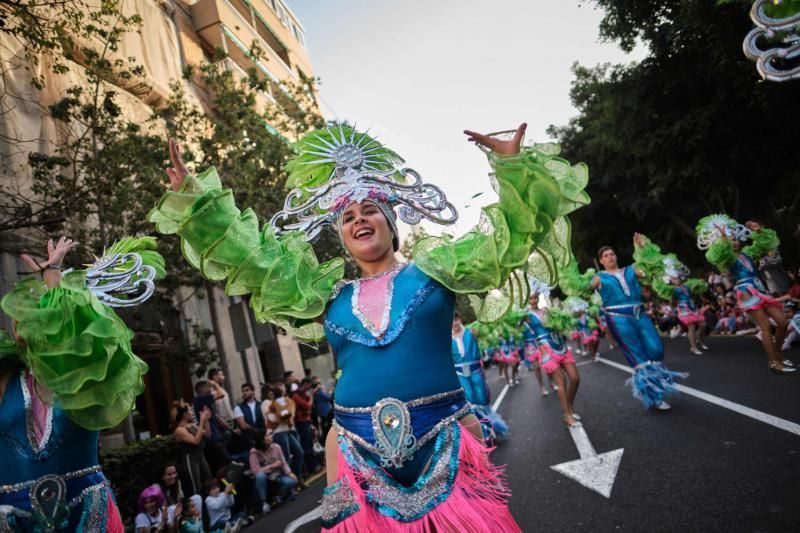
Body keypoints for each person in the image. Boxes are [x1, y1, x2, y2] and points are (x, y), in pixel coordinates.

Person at [151, 122, 591, 530]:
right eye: (347, 217)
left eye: (369, 210)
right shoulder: (326, 296)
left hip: (447, 437)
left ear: (391, 224)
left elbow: (509, 241)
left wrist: (513, 168)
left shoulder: (436, 271)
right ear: (341, 235)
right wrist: (198, 201)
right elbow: (254, 260)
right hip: (353, 452)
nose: (358, 219)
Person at [0, 236, 164, 532]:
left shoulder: (89, 375)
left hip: (87, 516)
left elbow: (69, 333)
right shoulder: (6, 380)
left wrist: (54, 278)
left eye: (38, 309)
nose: (22, 318)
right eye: (20, 313)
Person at [568, 237, 687, 410]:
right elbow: (584, 286)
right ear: (601, 261)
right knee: (639, 358)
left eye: (612, 254)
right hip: (618, 319)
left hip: (640, 314)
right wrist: (574, 276)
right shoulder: (598, 277)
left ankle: (654, 384)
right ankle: (655, 396)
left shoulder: (631, 269)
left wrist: (643, 249)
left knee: (656, 350)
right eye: (606, 255)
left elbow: (648, 268)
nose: (610, 257)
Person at [697, 215, 795, 374]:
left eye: (735, 238)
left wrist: (759, 230)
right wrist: (722, 238)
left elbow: (765, 244)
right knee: (766, 327)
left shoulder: (747, 252)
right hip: (745, 291)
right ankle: (774, 362)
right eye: (730, 239)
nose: (734, 241)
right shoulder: (727, 259)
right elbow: (717, 255)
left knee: (782, 322)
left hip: (760, 289)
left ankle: (778, 355)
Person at [632, 233, 710, 355]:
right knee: (691, 327)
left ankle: (700, 340)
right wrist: (640, 246)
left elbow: (697, 288)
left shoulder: (687, 285)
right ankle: (693, 347)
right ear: (670, 280)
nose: (676, 279)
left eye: (677, 277)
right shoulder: (673, 290)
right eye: (673, 278)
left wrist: (698, 288)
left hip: (692, 306)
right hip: (684, 308)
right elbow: (669, 297)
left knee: (703, 324)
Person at [524, 292, 582, 427]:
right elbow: (514, 324)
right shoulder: (526, 316)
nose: (533, 300)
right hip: (546, 349)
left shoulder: (547, 310)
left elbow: (560, 324)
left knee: (575, 378)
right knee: (561, 382)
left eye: (535, 297)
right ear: (527, 300)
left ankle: (569, 406)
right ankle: (567, 415)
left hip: (560, 345)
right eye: (530, 298)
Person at [452, 312, 509, 441]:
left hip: (476, 371)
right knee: (470, 402)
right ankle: (483, 432)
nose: (454, 323)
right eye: (451, 321)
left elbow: (488, 337)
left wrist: (479, 335)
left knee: (482, 399)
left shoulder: (471, 331)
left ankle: (492, 428)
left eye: (455, 319)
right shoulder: (447, 339)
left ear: (459, 319)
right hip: (460, 374)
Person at [249, 429, 298, 513]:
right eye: (268, 435)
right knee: (260, 476)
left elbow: (283, 462)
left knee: (292, 481)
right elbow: (256, 471)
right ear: (262, 440)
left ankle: (278, 496)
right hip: (265, 479)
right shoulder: (254, 453)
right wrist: (272, 466)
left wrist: (289, 473)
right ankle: (264, 502)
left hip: (277, 476)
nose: (271, 436)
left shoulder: (276, 447)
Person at [266, 383, 305, 484]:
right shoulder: (270, 404)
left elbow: (290, 412)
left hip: (288, 430)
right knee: (286, 458)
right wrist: (283, 416)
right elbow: (271, 420)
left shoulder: (286, 401)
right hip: (278, 432)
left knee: (299, 453)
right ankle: (290, 483)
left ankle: (297, 477)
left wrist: (288, 416)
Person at [173, 400, 214, 496]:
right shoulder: (180, 430)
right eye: (190, 411)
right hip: (190, 459)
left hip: (200, 456)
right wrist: (201, 423)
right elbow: (195, 441)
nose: (192, 413)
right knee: (197, 486)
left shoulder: (191, 425)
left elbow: (207, 435)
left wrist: (206, 421)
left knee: (210, 480)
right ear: (184, 414)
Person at [159, 463, 203, 532]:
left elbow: (181, 499)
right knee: (172, 508)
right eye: (169, 474)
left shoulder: (177, 483)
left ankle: (200, 527)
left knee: (197, 498)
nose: (173, 476)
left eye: (174, 473)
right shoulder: (159, 489)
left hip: (180, 509)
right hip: (168, 515)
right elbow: (163, 508)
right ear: (163, 477)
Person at [291, 377, 319, 475]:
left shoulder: (302, 394)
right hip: (301, 422)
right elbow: (307, 405)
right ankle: (311, 468)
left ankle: (313, 466)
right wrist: (311, 396)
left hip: (306, 421)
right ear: (305, 384)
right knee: (306, 444)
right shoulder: (296, 395)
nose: (310, 388)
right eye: (309, 386)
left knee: (310, 442)